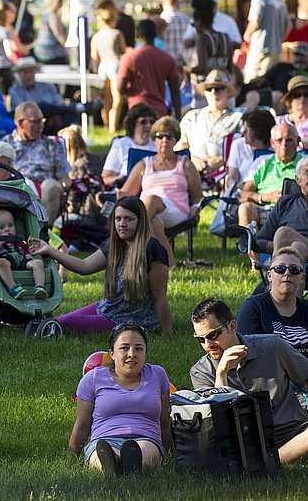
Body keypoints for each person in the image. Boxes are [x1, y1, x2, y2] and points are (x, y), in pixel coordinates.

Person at [189, 298, 308, 464]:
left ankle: (271, 461)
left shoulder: (272, 346)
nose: (208, 344)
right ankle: (274, 461)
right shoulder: (201, 371)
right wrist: (221, 373)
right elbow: (221, 425)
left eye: (213, 335)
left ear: (232, 326)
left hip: (292, 430)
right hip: (244, 441)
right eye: (200, 339)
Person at [32, 196, 171, 334]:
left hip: (131, 319)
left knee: (62, 324)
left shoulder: (152, 249)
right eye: (118, 218)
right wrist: (50, 250)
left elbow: (160, 298)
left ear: (141, 222)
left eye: (128, 219)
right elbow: (84, 266)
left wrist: (167, 333)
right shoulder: (115, 245)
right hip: (110, 306)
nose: (122, 224)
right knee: (59, 320)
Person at [70, 323, 172, 477]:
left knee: (144, 451)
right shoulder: (93, 379)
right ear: (112, 353)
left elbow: (164, 422)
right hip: (104, 440)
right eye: (124, 348)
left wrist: (172, 455)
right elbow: (82, 426)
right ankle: (113, 464)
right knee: (100, 454)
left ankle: (126, 465)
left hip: (146, 439)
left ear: (145, 352)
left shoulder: (158, 375)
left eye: (139, 348)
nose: (132, 354)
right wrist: (71, 457)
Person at [121, 116, 201, 264]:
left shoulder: (185, 165)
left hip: (177, 210)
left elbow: (197, 196)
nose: (164, 140)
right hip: (149, 211)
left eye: (169, 136)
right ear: (154, 139)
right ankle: (169, 264)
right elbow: (126, 192)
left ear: (176, 140)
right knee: (154, 223)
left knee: (151, 199)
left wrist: (195, 208)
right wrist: (107, 195)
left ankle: (128, 249)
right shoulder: (144, 164)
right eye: (160, 136)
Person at [2, 102, 70, 223]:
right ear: (20, 123)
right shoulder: (5, 146)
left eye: (42, 121)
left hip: (45, 194)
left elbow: (65, 179)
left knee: (50, 186)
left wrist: (60, 187)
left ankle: (43, 232)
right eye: (35, 122)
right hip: (16, 192)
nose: (41, 126)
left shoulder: (52, 145)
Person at [240, 122, 306, 241]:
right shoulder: (262, 162)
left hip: (295, 211)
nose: (284, 145)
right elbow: (244, 195)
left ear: (298, 141)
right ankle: (251, 255)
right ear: (272, 143)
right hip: (264, 208)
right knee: (245, 208)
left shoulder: (304, 165)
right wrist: (266, 197)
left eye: (289, 140)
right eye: (279, 140)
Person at [237, 247, 308, 356]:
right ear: (269, 275)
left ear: (303, 278)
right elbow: (247, 355)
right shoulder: (254, 308)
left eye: (295, 270)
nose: (287, 273)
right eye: (280, 268)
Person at [115, 20, 180, 129]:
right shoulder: (168, 59)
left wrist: (130, 92)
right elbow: (175, 90)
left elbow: (120, 88)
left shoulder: (129, 58)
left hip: (136, 111)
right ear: (155, 34)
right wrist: (178, 117)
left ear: (137, 35)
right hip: (159, 112)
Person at [177, 70, 243, 175]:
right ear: (205, 93)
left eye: (218, 89)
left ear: (227, 92)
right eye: (209, 89)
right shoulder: (191, 117)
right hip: (192, 173)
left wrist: (222, 160)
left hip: (226, 173)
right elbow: (178, 146)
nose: (213, 92)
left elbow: (244, 149)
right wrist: (192, 158)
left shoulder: (238, 119)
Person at [8, 57, 84, 135]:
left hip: (53, 117)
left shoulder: (47, 86)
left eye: (31, 71)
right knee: (42, 106)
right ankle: (77, 108)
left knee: (69, 114)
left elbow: (58, 102)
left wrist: (54, 114)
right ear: (19, 74)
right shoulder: (15, 90)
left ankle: (77, 139)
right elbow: (22, 109)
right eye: (25, 72)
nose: (29, 75)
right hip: (31, 121)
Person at [252, 156, 308, 262]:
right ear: (298, 180)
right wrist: (284, 247)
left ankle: (276, 272)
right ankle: (288, 273)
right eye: (307, 173)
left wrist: (283, 245)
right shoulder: (285, 204)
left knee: (283, 232)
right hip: (297, 255)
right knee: (297, 246)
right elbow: (259, 240)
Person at [0, 209, 47, 300]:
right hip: (6, 262)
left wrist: (32, 258)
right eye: (1, 227)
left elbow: (26, 255)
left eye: (10, 225)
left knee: (38, 262)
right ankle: (14, 288)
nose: (7, 229)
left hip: (21, 261)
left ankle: (40, 287)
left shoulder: (19, 241)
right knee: (1, 262)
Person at [244, 0, 292, 83]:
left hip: (260, 49)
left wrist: (246, 35)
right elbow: (289, 26)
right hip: (276, 50)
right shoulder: (280, 1)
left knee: (253, 81)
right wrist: (279, 40)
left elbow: (255, 22)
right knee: (270, 80)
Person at [101, 104, 158, 187]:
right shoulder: (121, 145)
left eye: (151, 122)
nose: (149, 125)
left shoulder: (158, 144)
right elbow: (106, 178)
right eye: (143, 122)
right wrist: (124, 179)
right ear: (133, 124)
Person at [91, 6, 127, 132]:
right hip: (114, 64)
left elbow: (94, 56)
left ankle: (106, 125)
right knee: (117, 98)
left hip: (102, 67)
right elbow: (124, 51)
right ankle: (113, 127)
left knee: (106, 99)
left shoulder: (96, 36)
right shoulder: (117, 33)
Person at [225, 107, 276, 197]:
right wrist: (237, 186)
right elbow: (231, 178)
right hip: (243, 193)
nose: (243, 131)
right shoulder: (238, 145)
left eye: (247, 129)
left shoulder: (277, 147)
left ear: (258, 131)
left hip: (270, 191)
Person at [33, 0, 69, 65]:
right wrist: (67, 49)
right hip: (51, 53)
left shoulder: (47, 13)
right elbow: (58, 34)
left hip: (44, 51)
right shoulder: (52, 15)